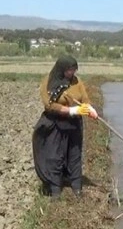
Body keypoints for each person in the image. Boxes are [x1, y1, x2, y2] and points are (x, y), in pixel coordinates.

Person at [32, 55, 99, 199]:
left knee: (75, 154)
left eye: (74, 70)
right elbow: (49, 104)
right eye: (69, 70)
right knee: (56, 156)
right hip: (56, 123)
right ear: (61, 69)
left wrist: (89, 109)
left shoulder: (76, 81)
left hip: (74, 124)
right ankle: (55, 188)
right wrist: (70, 110)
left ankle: (76, 186)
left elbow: (84, 99)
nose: (72, 73)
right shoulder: (48, 81)